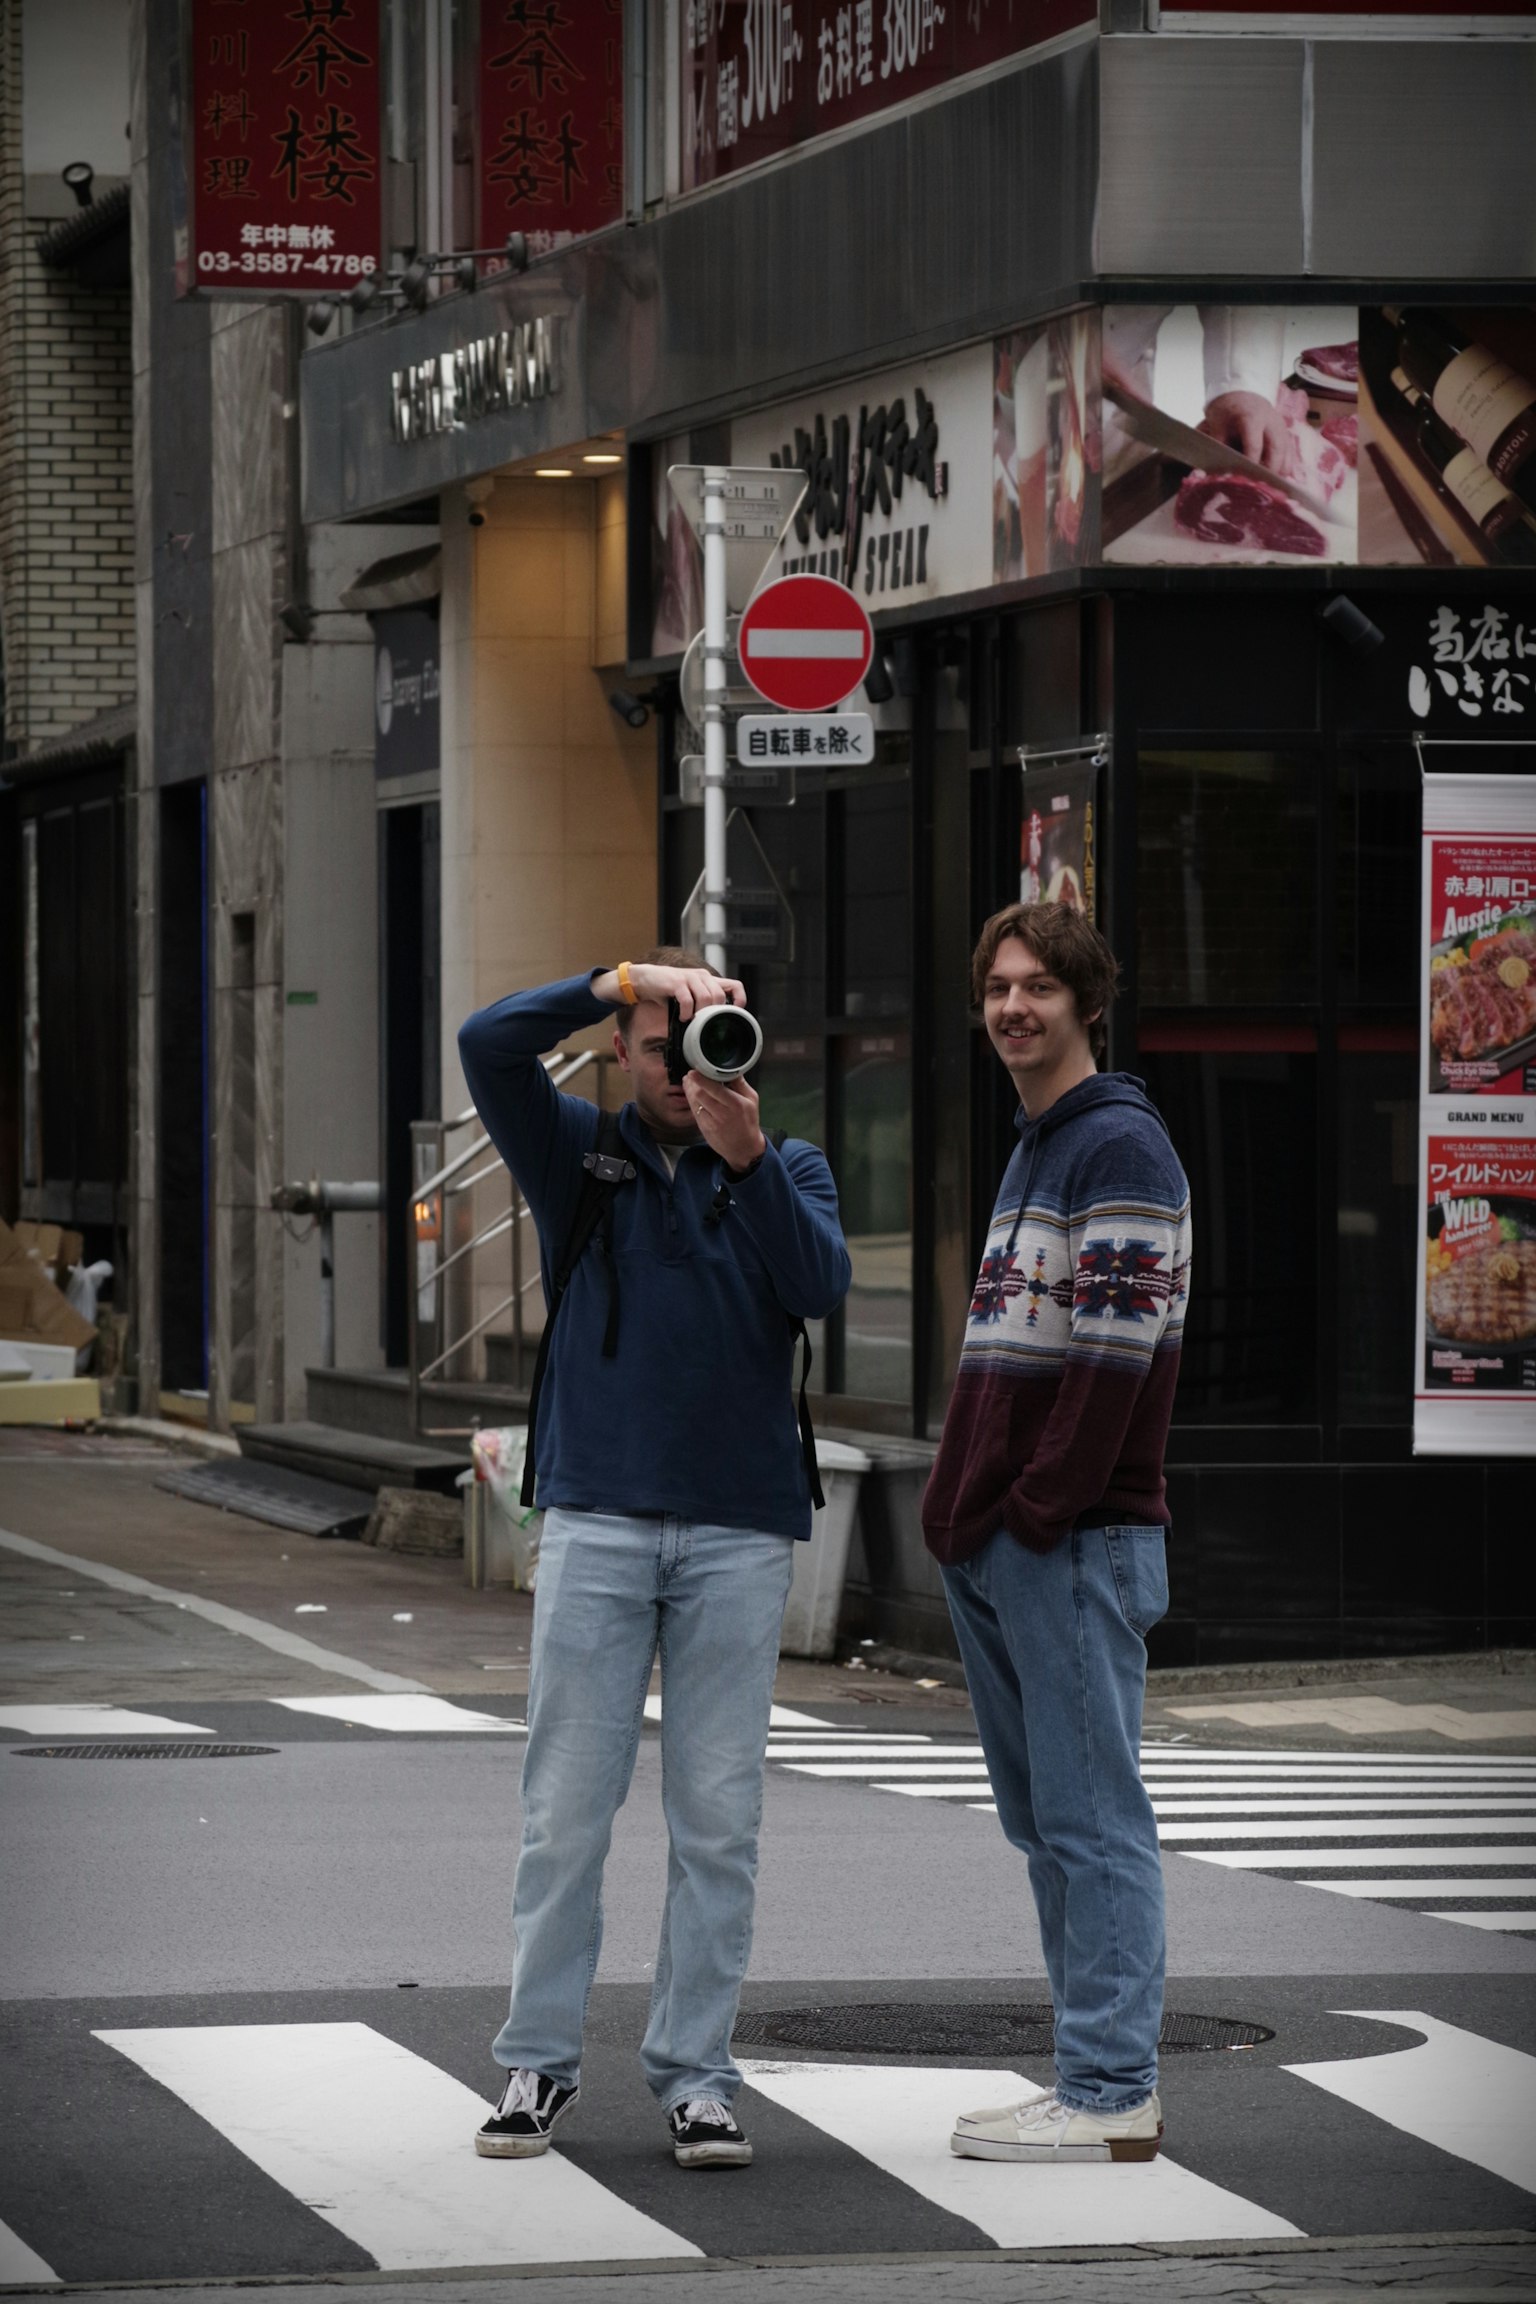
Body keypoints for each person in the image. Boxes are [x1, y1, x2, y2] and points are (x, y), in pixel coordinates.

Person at [457, 949, 851, 2170]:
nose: (684, 1062)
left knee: (718, 1820)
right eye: (660, 1038)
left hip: (739, 1528)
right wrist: (618, 975)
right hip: (596, 1516)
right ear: (622, 1052)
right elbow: (486, 1042)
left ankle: (698, 2078)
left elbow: (820, 1285)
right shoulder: (578, 1154)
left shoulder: (786, 1167)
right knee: (564, 1813)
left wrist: (745, 1159)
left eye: (710, 1033)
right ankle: (537, 2064)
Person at [922, 903, 1191, 2165]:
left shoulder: (1118, 1146)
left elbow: (1115, 1355)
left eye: (1038, 988)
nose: (1014, 1008)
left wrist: (1034, 1509)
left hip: (1070, 1538)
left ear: (1088, 1002)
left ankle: (1110, 2088)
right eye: (998, 989)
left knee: (1094, 1826)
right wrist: (964, 1512)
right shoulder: (1040, 1145)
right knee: (1049, 1827)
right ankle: (1088, 2073)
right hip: (1008, 1537)